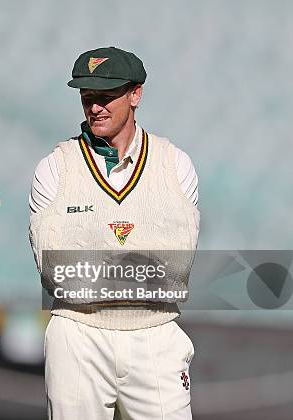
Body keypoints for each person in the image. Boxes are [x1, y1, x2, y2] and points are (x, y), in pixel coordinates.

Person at [29, 47, 200, 419]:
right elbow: (57, 272)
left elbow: (174, 268)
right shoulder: (55, 168)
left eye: (106, 97)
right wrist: (140, 260)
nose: (95, 108)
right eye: (87, 98)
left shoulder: (175, 164)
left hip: (156, 333)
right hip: (78, 333)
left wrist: (91, 258)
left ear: (135, 94)